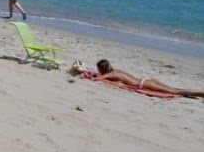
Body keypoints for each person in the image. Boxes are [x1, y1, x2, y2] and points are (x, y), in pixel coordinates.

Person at [72, 60, 204, 98]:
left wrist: (84, 73)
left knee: (175, 91)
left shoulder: (110, 75)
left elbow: (98, 79)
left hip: (143, 84)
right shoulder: (116, 71)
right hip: (146, 80)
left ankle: (200, 92)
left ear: (102, 70)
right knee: (173, 89)